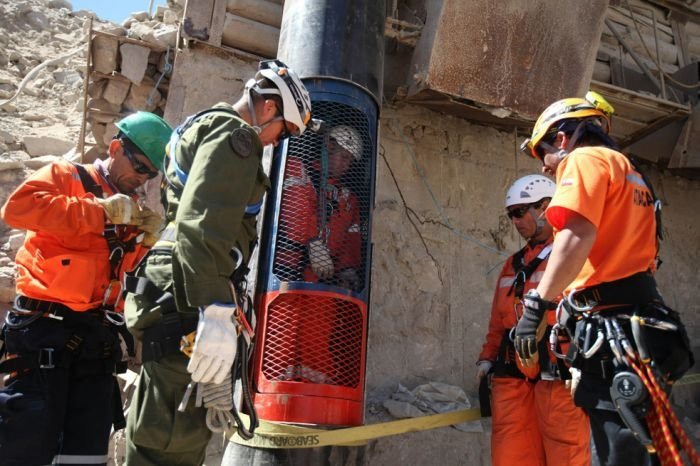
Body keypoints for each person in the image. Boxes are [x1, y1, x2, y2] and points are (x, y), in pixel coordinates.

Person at [122, 59, 313, 465]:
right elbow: (201, 224)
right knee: (171, 439)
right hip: (191, 295)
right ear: (268, 109)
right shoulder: (236, 138)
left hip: (176, 288)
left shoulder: (202, 123)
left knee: (164, 421)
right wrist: (216, 307)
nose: (280, 141)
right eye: (286, 130)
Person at [515, 94, 694, 466]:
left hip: (611, 331)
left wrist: (535, 309)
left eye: (542, 154)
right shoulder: (630, 171)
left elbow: (576, 236)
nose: (546, 168)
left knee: (617, 450)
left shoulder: (583, 160)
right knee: (642, 444)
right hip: (638, 323)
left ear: (562, 140)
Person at [0, 111, 172, 466]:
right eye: (139, 166)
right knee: (24, 448)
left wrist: (146, 243)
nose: (141, 179)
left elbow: (121, 278)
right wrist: (99, 213)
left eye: (150, 174)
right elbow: (17, 210)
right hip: (43, 331)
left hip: (96, 341)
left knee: (85, 456)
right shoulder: (67, 177)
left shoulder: (132, 210)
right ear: (115, 148)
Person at [476, 174, 590, 466]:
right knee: (511, 454)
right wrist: (487, 359)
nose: (515, 221)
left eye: (519, 212)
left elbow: (586, 312)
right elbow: (497, 322)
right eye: (510, 215)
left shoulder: (571, 254)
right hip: (513, 374)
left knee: (566, 453)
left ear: (545, 207)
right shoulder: (512, 265)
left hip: (558, 372)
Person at [276, 124, 363, 383]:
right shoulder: (296, 169)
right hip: (288, 274)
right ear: (328, 147)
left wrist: (348, 268)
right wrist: (312, 241)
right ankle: (279, 390)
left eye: (350, 160)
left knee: (318, 339)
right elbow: (296, 207)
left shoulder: (348, 198)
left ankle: (313, 392)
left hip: (324, 282)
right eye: (344, 156)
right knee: (283, 335)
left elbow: (351, 237)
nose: (347, 165)